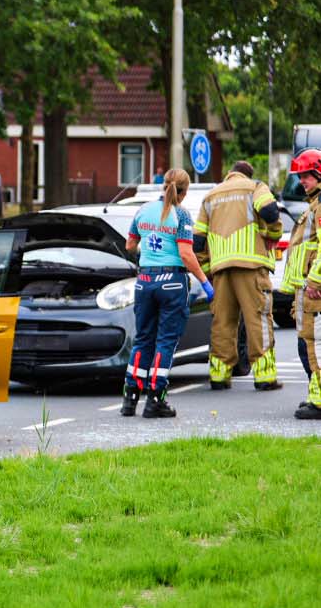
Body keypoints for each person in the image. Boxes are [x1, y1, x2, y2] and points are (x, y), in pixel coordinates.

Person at [122, 168, 212, 418]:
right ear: (183, 192)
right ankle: (155, 401)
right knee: (165, 342)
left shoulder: (142, 211)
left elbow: (130, 245)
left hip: (145, 281)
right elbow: (185, 253)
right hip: (172, 282)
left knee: (143, 339)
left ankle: (129, 400)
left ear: (164, 186)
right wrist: (205, 281)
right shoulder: (181, 215)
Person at [195, 160, 285, 390]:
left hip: (220, 270)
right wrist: (273, 233)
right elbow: (270, 211)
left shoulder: (211, 196)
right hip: (251, 266)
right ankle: (265, 377)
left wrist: (208, 273)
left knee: (223, 322)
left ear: (230, 174)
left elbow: (198, 242)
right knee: (258, 319)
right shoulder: (255, 187)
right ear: (247, 175)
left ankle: (219, 375)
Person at [283, 149, 321, 418]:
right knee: (306, 343)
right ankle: (314, 394)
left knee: (310, 344)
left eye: (306, 176)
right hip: (306, 287)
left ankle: (318, 401)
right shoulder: (314, 204)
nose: (301, 181)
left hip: (313, 288)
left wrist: (315, 280)